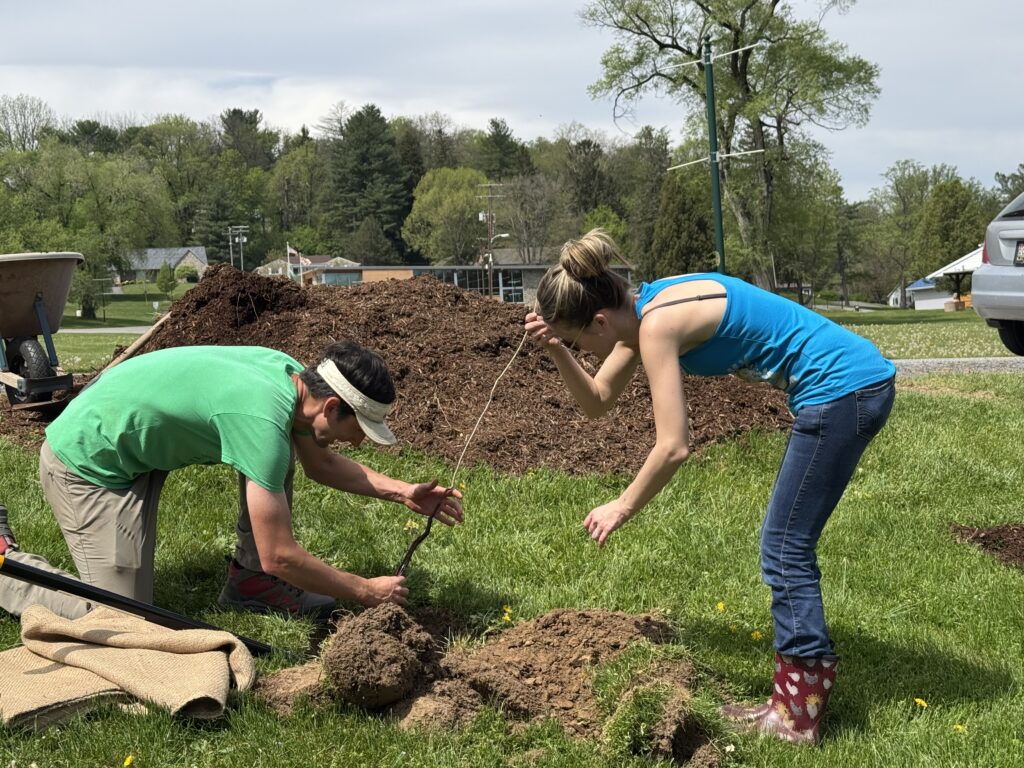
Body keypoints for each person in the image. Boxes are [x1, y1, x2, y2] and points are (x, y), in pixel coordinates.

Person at [524, 230, 895, 746]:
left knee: (785, 547)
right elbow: (598, 400)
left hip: (842, 390)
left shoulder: (656, 327)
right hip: (852, 385)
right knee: (785, 543)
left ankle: (797, 715)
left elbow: (674, 446)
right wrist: (556, 350)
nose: (580, 350)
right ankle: (790, 703)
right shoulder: (646, 306)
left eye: (577, 341)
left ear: (600, 321)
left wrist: (622, 506)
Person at [0, 341, 463, 623]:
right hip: (87, 461)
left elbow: (320, 464)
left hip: (134, 443)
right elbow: (280, 554)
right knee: (120, 622)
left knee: (277, 453)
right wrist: (364, 591)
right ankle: (6, 565)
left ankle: (253, 586)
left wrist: (404, 491)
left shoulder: (291, 382)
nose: (359, 442)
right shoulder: (260, 419)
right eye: (358, 430)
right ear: (330, 407)